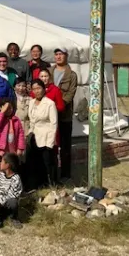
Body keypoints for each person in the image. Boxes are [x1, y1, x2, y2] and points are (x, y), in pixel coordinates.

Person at [52, 48, 78, 182]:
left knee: (65, 146)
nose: (58, 57)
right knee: (49, 145)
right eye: (56, 54)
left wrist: (57, 107)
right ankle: (50, 173)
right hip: (47, 116)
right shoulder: (49, 72)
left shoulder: (72, 75)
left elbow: (70, 94)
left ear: (66, 56)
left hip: (64, 115)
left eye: (61, 54)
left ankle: (65, 175)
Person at [28, 79, 58, 188]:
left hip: (46, 137)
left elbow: (53, 123)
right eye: (34, 89)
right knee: (36, 163)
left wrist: (50, 142)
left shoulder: (50, 104)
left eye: (38, 88)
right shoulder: (31, 102)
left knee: (47, 163)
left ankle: (50, 184)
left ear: (44, 89)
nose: (36, 91)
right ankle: (38, 184)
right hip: (34, 137)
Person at [0, 153, 23, 229]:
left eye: (2, 161)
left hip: (7, 204)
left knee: (13, 202)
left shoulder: (16, 178)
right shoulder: (0, 175)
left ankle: (13, 217)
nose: (0, 163)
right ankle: (0, 216)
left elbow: (10, 195)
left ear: (7, 165)